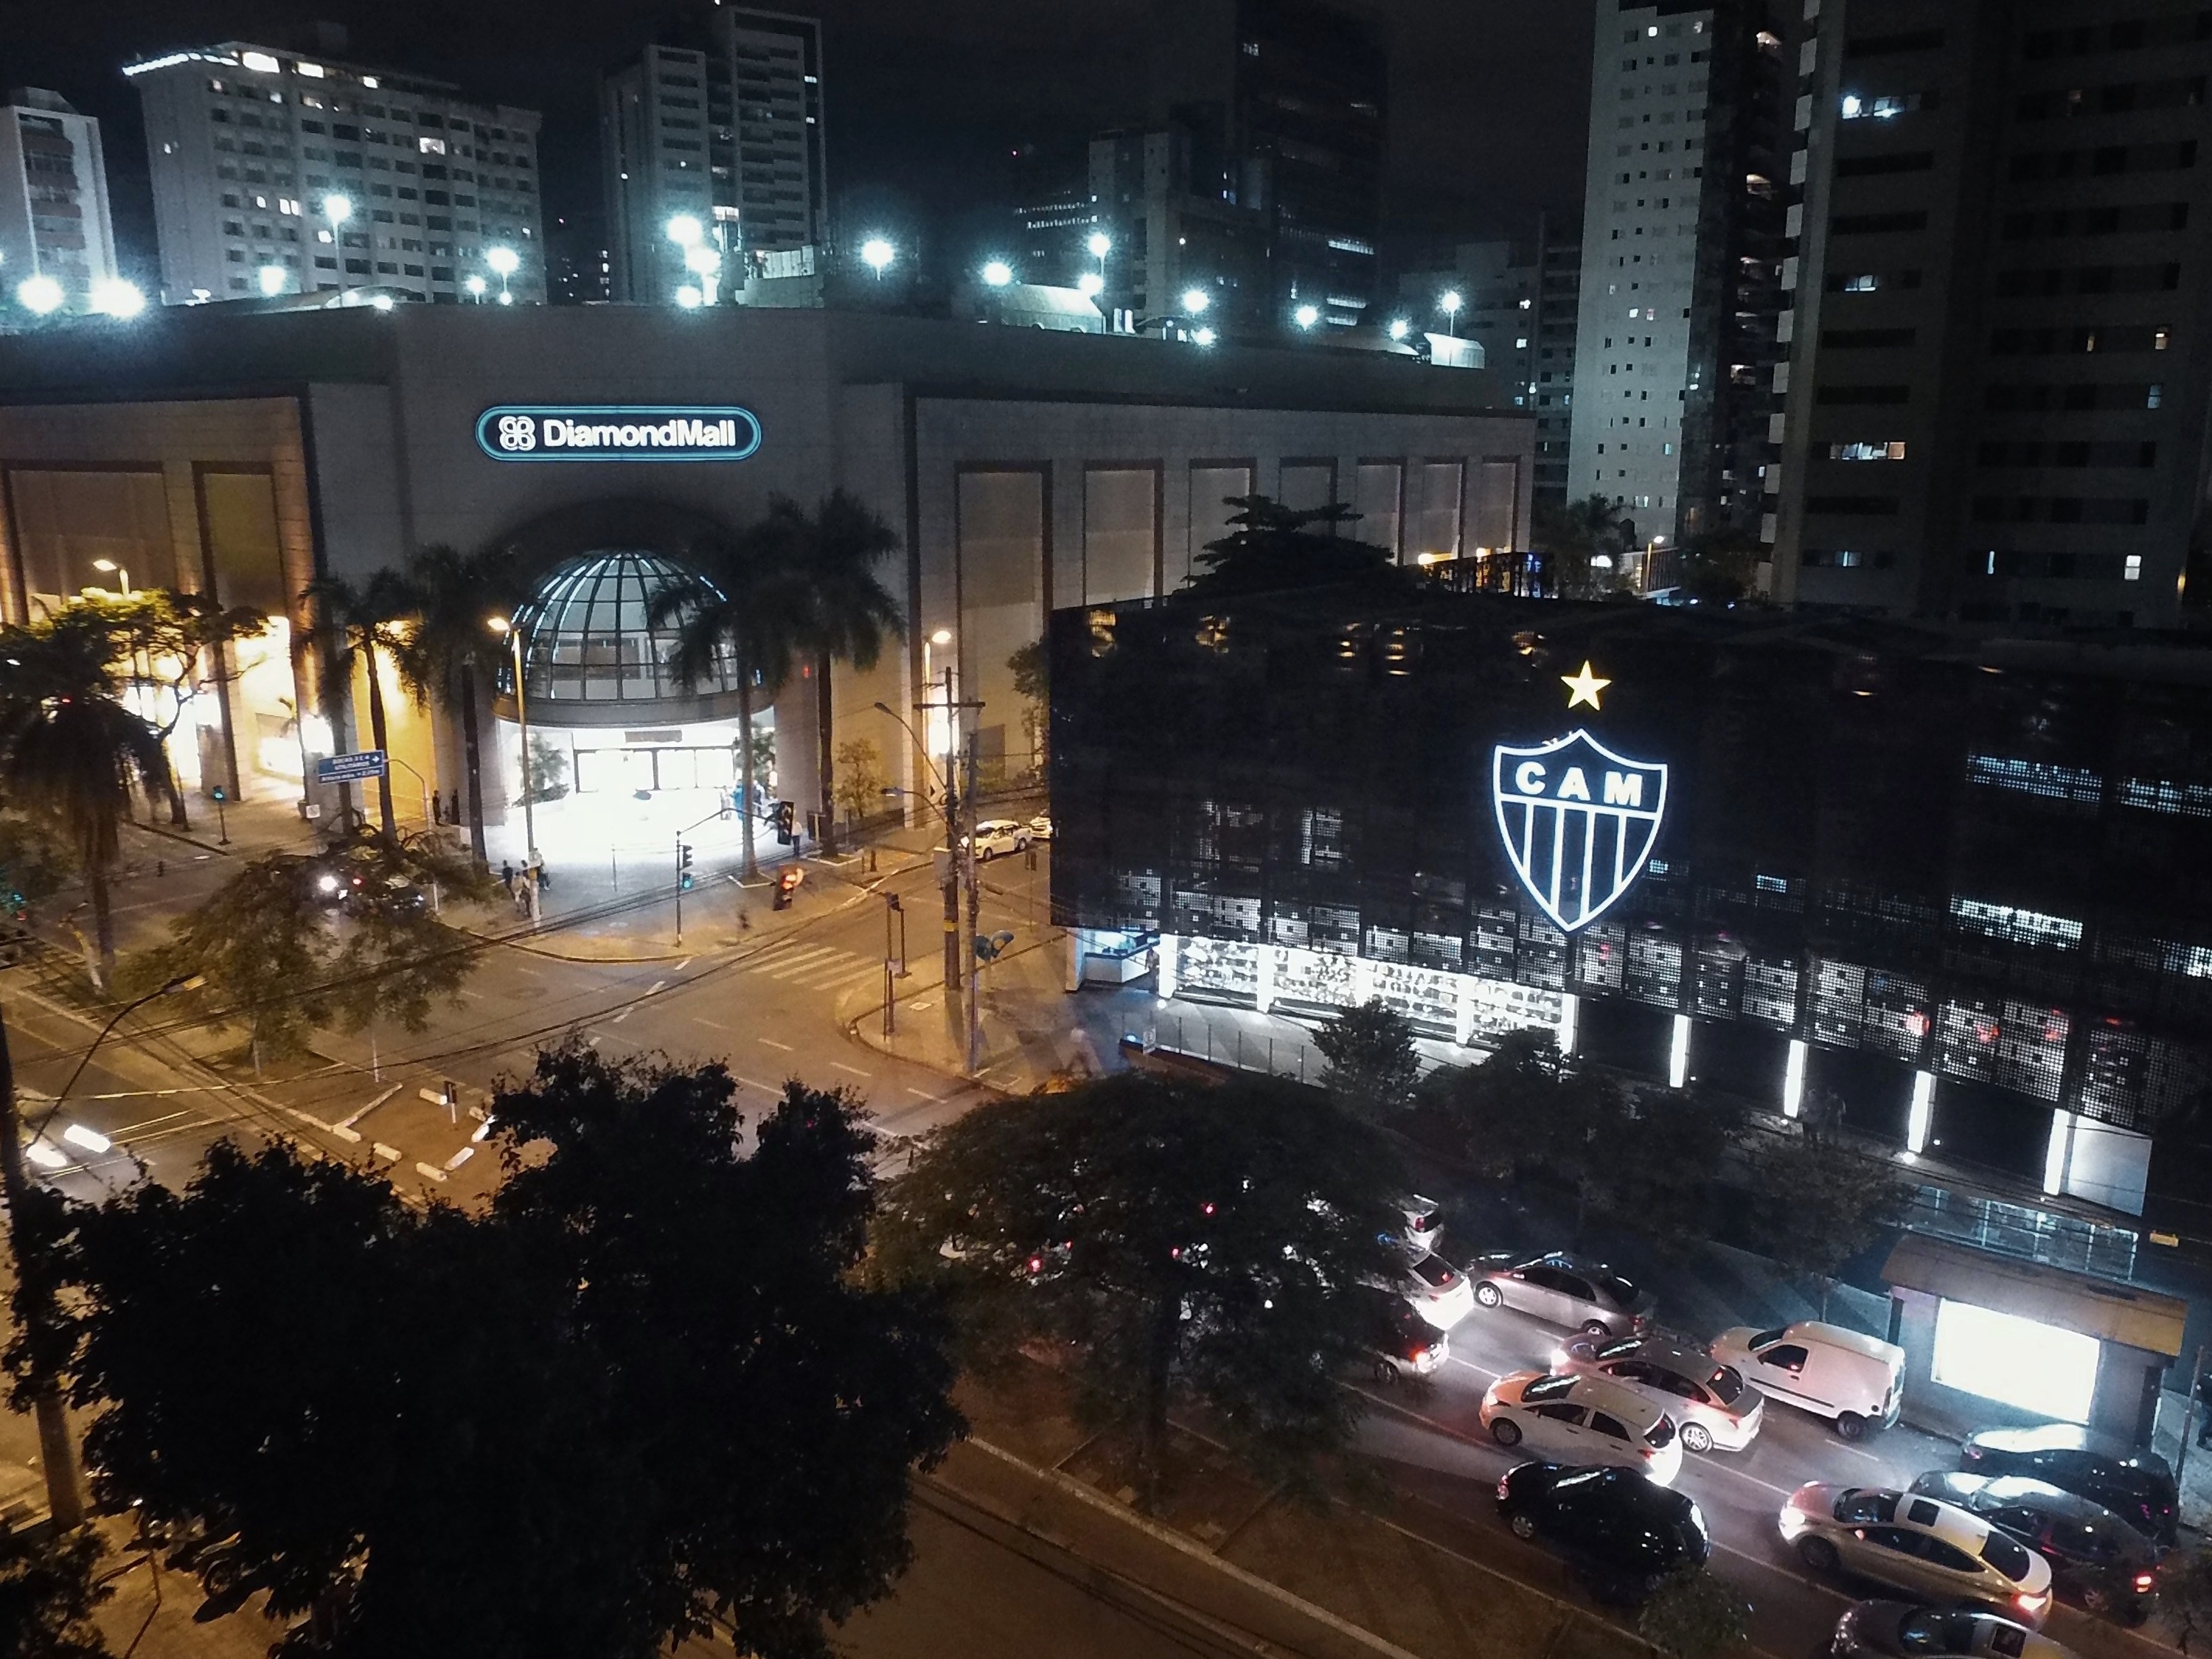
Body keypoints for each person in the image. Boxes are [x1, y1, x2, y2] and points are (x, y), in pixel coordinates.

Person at [2195, 1370, 2212, 1448]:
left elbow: (2198, 1387)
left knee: (2207, 1421)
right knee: (2207, 1422)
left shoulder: (2205, 1379)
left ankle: (2206, 1435)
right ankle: (2201, 1441)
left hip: (2206, 1403)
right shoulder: (2207, 1382)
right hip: (2209, 1405)